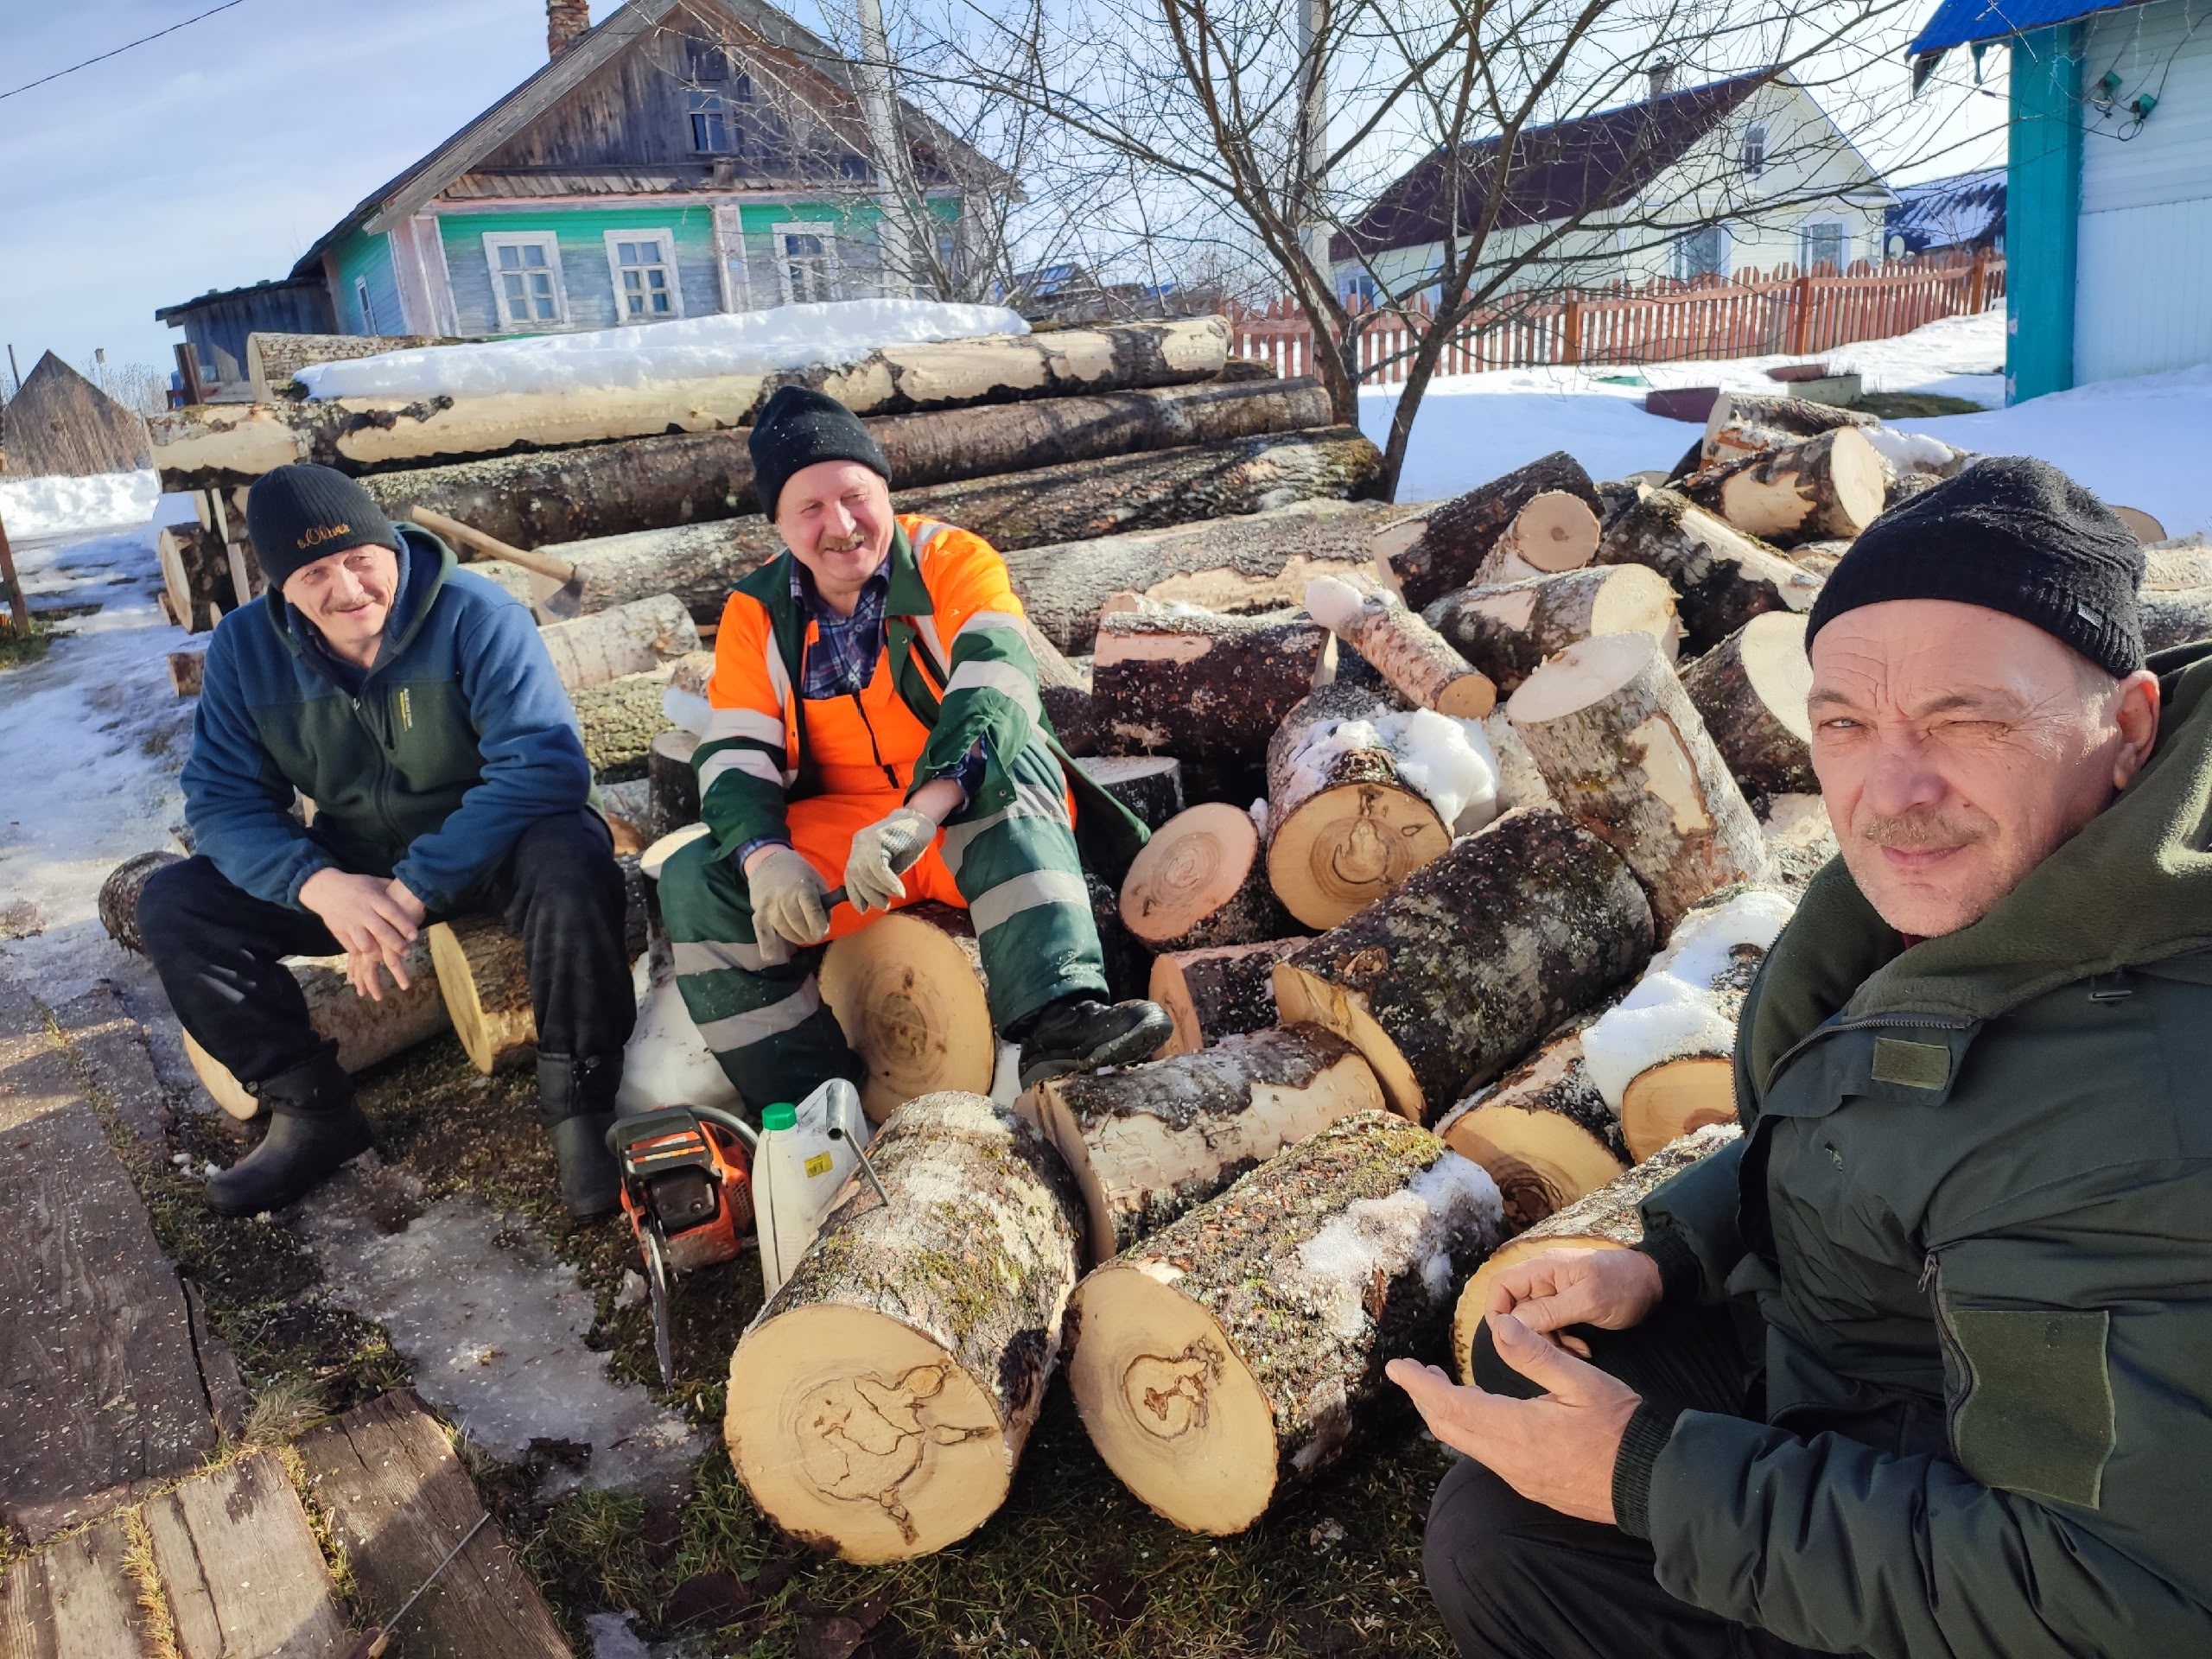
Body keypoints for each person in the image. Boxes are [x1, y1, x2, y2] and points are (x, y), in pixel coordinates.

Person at [1393, 456, 2212, 1658]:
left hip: (2018, 1507)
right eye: (1844, 724)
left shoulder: (2148, 1109)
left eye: (1968, 720)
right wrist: (1677, 1252)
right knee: (1524, 1393)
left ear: (2126, 727)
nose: (1892, 790)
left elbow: (2126, 1595)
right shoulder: (2020, 881)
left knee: (1510, 1554)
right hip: (1886, 1350)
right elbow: (1874, 1115)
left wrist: (1648, 1477)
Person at [137, 465, 637, 1219]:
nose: (347, 589)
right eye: (314, 573)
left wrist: (416, 888)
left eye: (359, 559)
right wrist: (319, 884)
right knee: (176, 904)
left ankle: (583, 1108)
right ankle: (310, 1111)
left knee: (571, 855)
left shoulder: (476, 614)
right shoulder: (245, 648)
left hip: (497, 847)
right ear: (281, 586)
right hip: (359, 859)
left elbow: (545, 765)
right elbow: (222, 799)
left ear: (391, 549)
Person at [657, 386, 1171, 1113]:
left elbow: (996, 686)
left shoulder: (951, 559)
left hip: (968, 821)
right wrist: (766, 860)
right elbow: (736, 750)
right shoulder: (754, 613)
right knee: (695, 879)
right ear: (779, 524)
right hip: (848, 843)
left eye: (854, 497)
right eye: (810, 508)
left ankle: (1057, 1018)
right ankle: (815, 1107)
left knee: (1015, 754)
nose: (841, 525)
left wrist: (920, 814)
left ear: (884, 492)